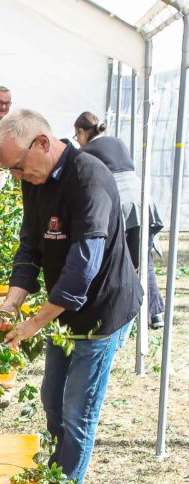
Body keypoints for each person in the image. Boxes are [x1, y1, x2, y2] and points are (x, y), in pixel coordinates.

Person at [0, 109, 142, 484]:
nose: (18, 177)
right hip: (62, 312)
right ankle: (57, 476)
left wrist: (32, 324)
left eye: (18, 167)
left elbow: (81, 270)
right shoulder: (34, 180)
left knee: (77, 413)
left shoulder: (89, 178)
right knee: (51, 399)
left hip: (100, 313)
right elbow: (30, 247)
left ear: (42, 142)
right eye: (12, 172)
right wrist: (10, 306)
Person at [74, 111, 165, 328]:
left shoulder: (86, 152)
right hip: (142, 200)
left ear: (80, 132)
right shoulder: (118, 142)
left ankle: (127, 310)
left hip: (119, 203)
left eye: (77, 136)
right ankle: (155, 315)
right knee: (144, 260)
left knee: (119, 258)